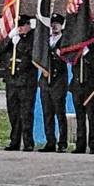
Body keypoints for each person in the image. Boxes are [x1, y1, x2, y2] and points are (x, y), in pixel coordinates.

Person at [2, 14, 37, 152]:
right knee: (13, 112)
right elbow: (0, 51)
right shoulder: (13, 38)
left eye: (23, 25)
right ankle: (14, 141)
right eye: (18, 26)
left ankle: (28, 142)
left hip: (26, 81)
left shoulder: (33, 38)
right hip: (12, 81)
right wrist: (9, 39)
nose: (20, 28)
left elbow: (32, 56)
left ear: (29, 25)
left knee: (26, 113)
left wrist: (20, 46)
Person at [69, 21, 94, 154]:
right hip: (77, 86)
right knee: (80, 117)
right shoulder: (76, 48)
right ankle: (80, 144)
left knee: (92, 116)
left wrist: (87, 53)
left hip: (91, 87)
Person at [38, 13, 68, 153]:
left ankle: (62, 142)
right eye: (52, 23)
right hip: (45, 80)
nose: (54, 26)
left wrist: (58, 53)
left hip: (58, 80)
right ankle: (50, 141)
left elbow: (68, 58)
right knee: (47, 113)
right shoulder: (44, 40)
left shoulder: (65, 40)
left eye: (57, 23)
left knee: (59, 113)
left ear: (61, 25)